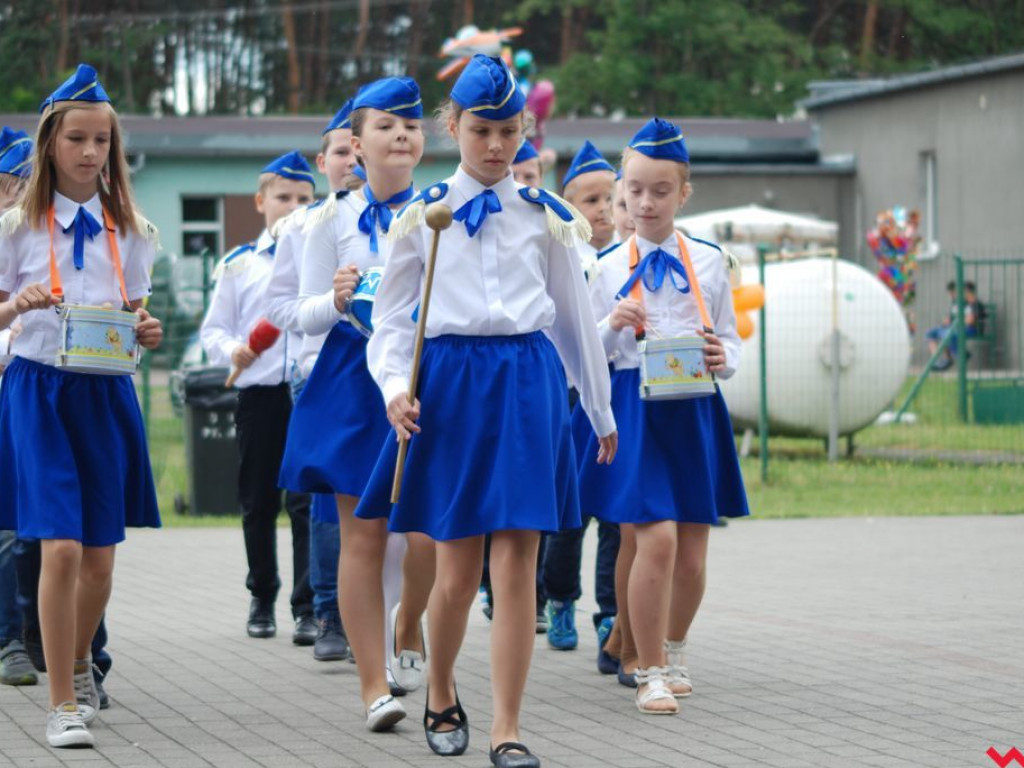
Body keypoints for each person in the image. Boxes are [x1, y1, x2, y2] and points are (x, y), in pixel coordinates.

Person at [355, 55, 617, 768]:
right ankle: (440, 687)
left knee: (517, 565)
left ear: (524, 129)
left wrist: (599, 410)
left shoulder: (547, 218)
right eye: (481, 131)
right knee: (452, 570)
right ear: (454, 128)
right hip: (451, 385)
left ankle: (507, 727)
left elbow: (573, 322)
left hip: (527, 384)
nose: (496, 146)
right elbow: (389, 323)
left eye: (508, 131)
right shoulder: (422, 216)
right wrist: (392, 391)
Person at [0, 64, 163, 748]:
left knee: (100, 556)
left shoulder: (135, 230)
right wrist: (16, 304)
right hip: (38, 390)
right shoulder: (15, 227)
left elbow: (136, 318)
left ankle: (76, 661)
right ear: (50, 144)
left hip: (105, 392)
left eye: (101, 140)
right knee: (59, 546)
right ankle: (61, 702)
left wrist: (147, 331)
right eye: (77, 139)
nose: (91, 152)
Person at [576, 117, 749, 715]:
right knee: (656, 540)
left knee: (694, 551)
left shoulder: (708, 261)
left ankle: (673, 651)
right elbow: (579, 356)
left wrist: (723, 356)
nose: (645, 202)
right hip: (634, 409)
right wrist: (609, 326)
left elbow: (729, 339)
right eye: (635, 190)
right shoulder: (601, 267)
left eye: (660, 190)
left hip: (695, 408)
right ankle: (645, 668)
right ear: (621, 190)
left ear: (684, 193)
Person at [281, 76, 435, 730]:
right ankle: (374, 685)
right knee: (361, 534)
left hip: (425, 376)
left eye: (411, 125)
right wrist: (337, 299)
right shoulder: (328, 220)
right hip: (350, 381)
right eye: (385, 125)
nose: (400, 134)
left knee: (429, 530)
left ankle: (410, 622)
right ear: (356, 144)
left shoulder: (443, 210)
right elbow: (299, 314)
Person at [199, 150, 316, 644]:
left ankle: (309, 606)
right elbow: (214, 329)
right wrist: (236, 350)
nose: (293, 206)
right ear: (261, 201)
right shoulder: (240, 266)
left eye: (304, 198)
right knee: (258, 500)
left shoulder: (321, 262)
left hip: (308, 392)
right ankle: (262, 595)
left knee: (306, 501)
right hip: (260, 395)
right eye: (283, 197)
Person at [265, 100, 359, 663]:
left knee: (390, 501)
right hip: (321, 369)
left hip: (390, 374)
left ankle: (393, 614)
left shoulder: (407, 217)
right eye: (340, 151)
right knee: (327, 503)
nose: (351, 159)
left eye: (357, 147)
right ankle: (329, 613)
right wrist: (330, 305)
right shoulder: (304, 225)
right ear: (322, 161)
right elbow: (281, 305)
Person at [540, 139, 622, 662]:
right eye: (589, 201)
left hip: (620, 394)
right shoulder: (563, 256)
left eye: (609, 199)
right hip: (573, 397)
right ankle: (560, 598)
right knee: (571, 514)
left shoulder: (624, 260)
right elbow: (568, 333)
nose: (602, 211)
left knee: (615, 512)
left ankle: (610, 610)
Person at [0, 128, 36, 688]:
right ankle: (10, 638)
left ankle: (33, 633)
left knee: (36, 527)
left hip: (35, 391)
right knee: (8, 527)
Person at [927, 280, 982, 371]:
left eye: (962, 291)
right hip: (955, 327)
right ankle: (938, 360)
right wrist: (948, 321)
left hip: (969, 329)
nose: (959, 293)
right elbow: (952, 317)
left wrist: (955, 322)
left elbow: (970, 321)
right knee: (932, 333)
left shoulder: (974, 303)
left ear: (968, 292)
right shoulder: (958, 302)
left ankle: (959, 355)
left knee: (948, 334)